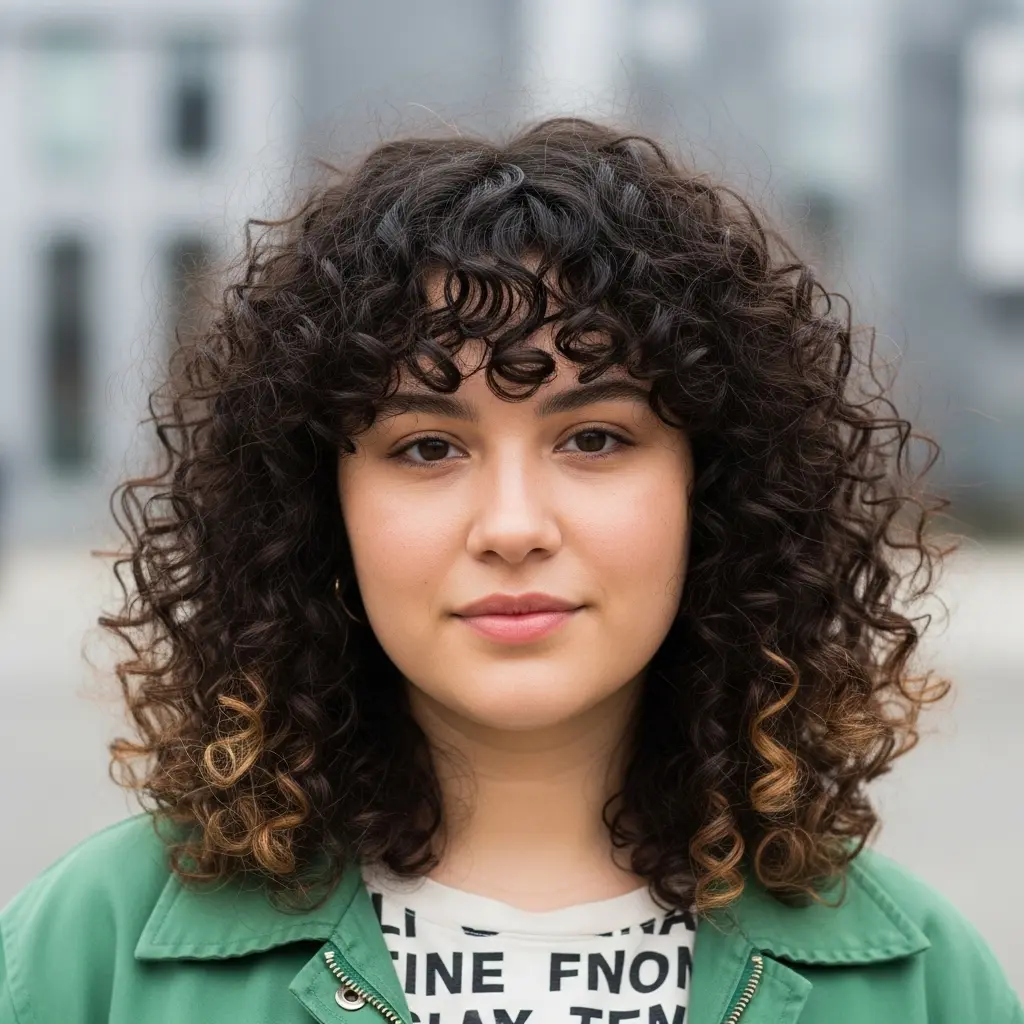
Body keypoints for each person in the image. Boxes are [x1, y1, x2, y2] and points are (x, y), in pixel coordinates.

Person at [0, 116, 1019, 1024]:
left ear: (713, 493)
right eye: (426, 447)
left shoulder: (923, 986)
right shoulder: (85, 957)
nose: (514, 526)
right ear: (316, 509)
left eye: (594, 438)